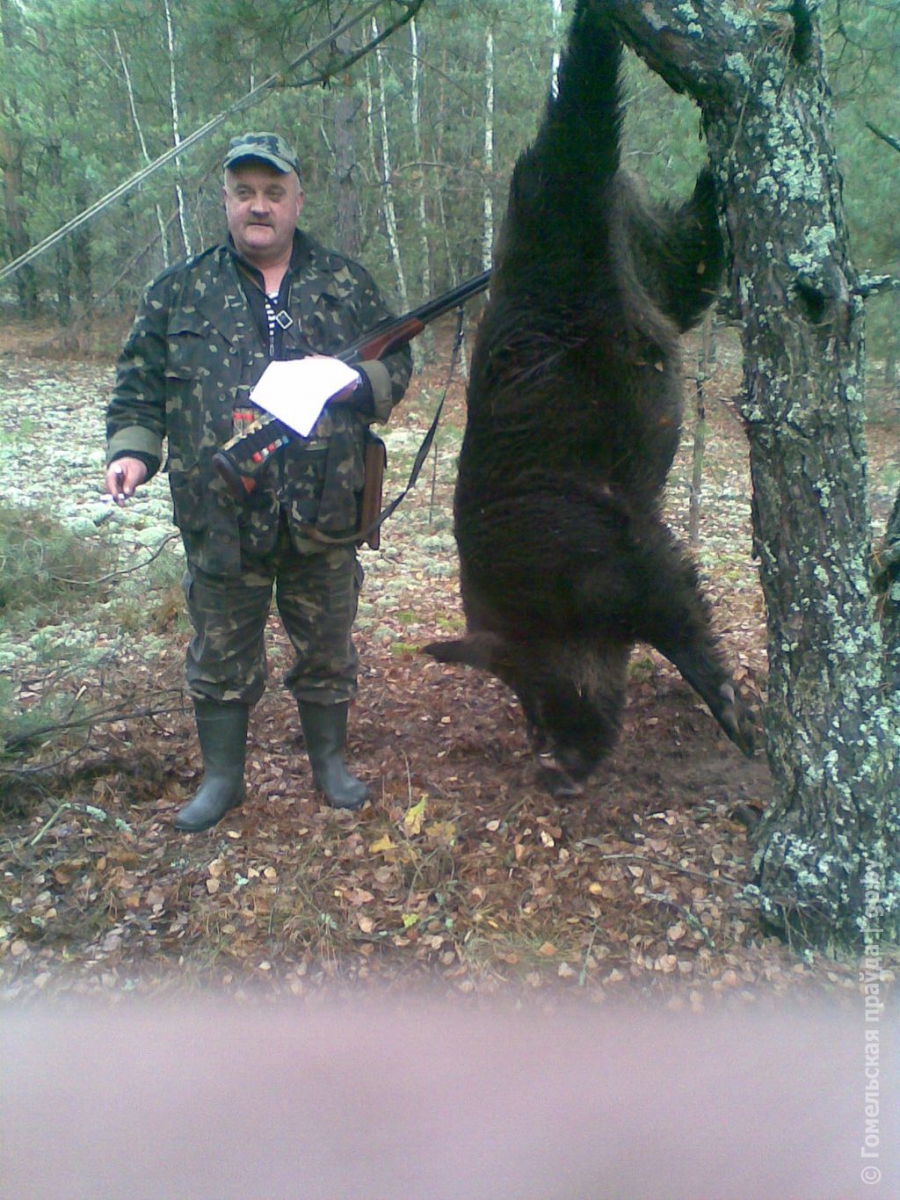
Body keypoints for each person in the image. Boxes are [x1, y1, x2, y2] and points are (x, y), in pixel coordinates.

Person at [105, 131, 412, 832]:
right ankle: (222, 780)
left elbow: (398, 364)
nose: (259, 207)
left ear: (297, 201)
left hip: (324, 507)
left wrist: (353, 383)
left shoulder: (346, 283)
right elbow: (138, 384)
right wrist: (132, 450)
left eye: (273, 193)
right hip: (219, 510)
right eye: (245, 193)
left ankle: (330, 767)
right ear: (226, 202)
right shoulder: (178, 290)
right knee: (219, 652)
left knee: (328, 645)